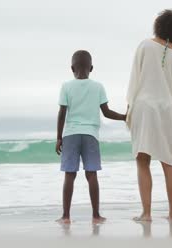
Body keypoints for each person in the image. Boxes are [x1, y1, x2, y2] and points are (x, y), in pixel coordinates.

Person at [126, 9, 172, 221]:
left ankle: (146, 213)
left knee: (142, 160)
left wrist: (129, 109)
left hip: (145, 108)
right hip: (168, 111)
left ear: (160, 25)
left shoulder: (145, 45)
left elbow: (134, 80)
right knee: (170, 162)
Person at [55, 50, 126, 224]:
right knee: (91, 174)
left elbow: (62, 113)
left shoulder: (66, 86)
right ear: (91, 68)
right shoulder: (98, 87)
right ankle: (96, 215)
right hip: (91, 135)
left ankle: (66, 216)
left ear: (72, 68)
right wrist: (124, 116)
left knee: (69, 175)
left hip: (71, 134)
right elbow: (107, 112)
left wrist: (58, 137)